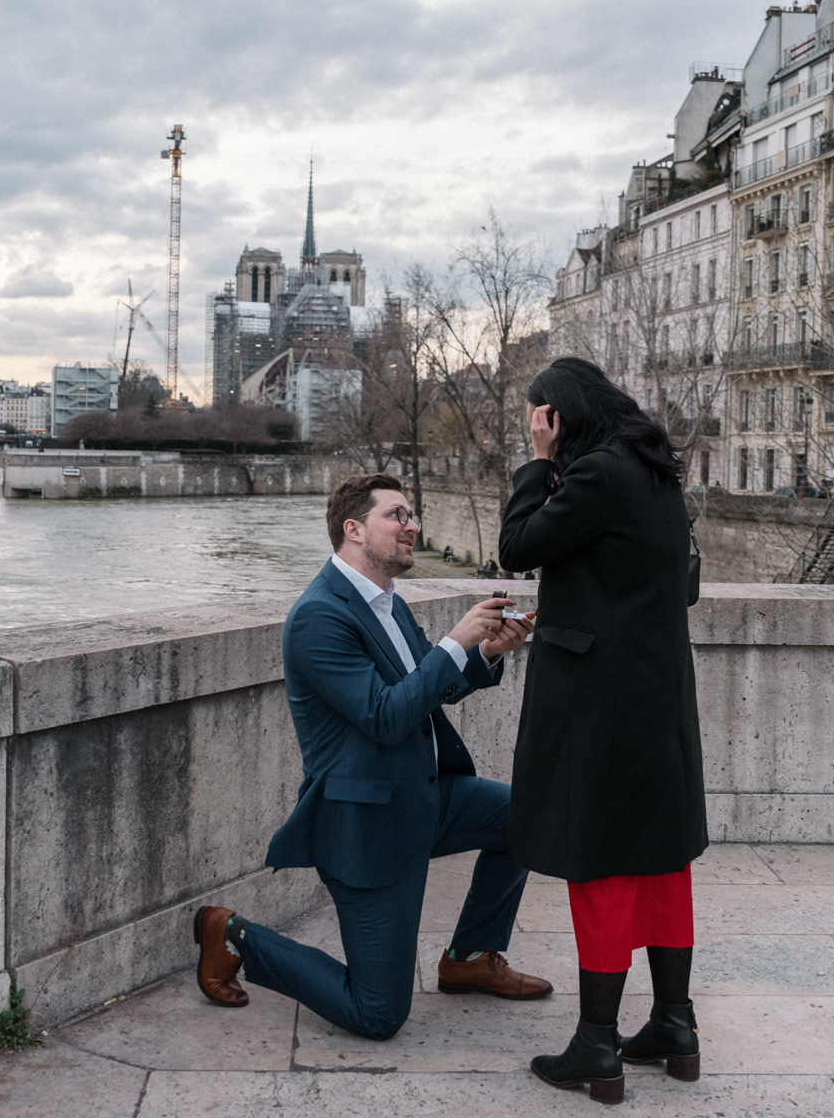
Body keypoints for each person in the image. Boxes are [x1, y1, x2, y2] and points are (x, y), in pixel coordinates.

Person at [193, 473, 553, 1040]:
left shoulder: (387, 601)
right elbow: (386, 717)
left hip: (427, 794)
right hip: (367, 822)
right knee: (378, 1014)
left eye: (412, 514)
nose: (413, 525)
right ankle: (233, 935)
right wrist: (454, 642)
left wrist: (483, 653)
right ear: (353, 529)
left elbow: (429, 691)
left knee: (530, 817)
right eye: (398, 515)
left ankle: (470, 956)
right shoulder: (319, 617)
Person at [500, 357, 706, 1102]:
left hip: (599, 702)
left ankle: (596, 1045)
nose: (535, 425)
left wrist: (537, 460)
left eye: (539, 415)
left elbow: (517, 549)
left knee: (601, 864)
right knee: (660, 860)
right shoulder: (654, 470)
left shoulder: (598, 475)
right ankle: (674, 1025)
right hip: (655, 695)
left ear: (558, 414)